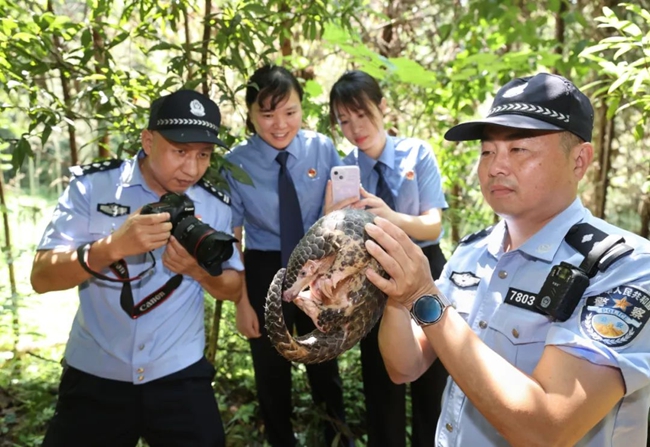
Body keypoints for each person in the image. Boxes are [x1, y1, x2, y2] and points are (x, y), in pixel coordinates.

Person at [363, 72, 650, 446]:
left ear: (579, 161)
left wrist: (421, 294)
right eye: (487, 152)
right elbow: (404, 367)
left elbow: (547, 428)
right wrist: (398, 293)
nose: (495, 167)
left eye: (519, 150)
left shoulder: (624, 268)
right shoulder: (471, 252)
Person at [30, 89, 243, 447]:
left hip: (179, 374)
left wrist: (198, 270)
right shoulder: (93, 188)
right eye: (180, 151)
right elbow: (42, 277)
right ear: (147, 140)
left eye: (203, 155)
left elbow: (234, 287)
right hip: (96, 373)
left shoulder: (214, 204)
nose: (191, 168)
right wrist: (112, 247)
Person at [222, 64, 351, 447]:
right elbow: (234, 236)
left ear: (301, 109)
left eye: (290, 112)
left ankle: (337, 437)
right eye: (267, 114)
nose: (280, 124)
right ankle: (281, 440)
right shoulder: (236, 162)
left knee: (324, 365)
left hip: (318, 267)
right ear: (250, 113)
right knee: (270, 369)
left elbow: (341, 213)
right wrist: (241, 301)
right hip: (264, 267)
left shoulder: (321, 148)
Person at [327, 70, 448, 447]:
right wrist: (333, 217)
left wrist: (391, 219)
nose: (354, 128)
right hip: (371, 282)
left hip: (425, 271)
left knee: (433, 385)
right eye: (344, 120)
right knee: (382, 386)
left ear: (382, 107)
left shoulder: (417, 152)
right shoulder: (344, 169)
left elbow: (434, 226)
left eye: (361, 114)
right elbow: (335, 247)